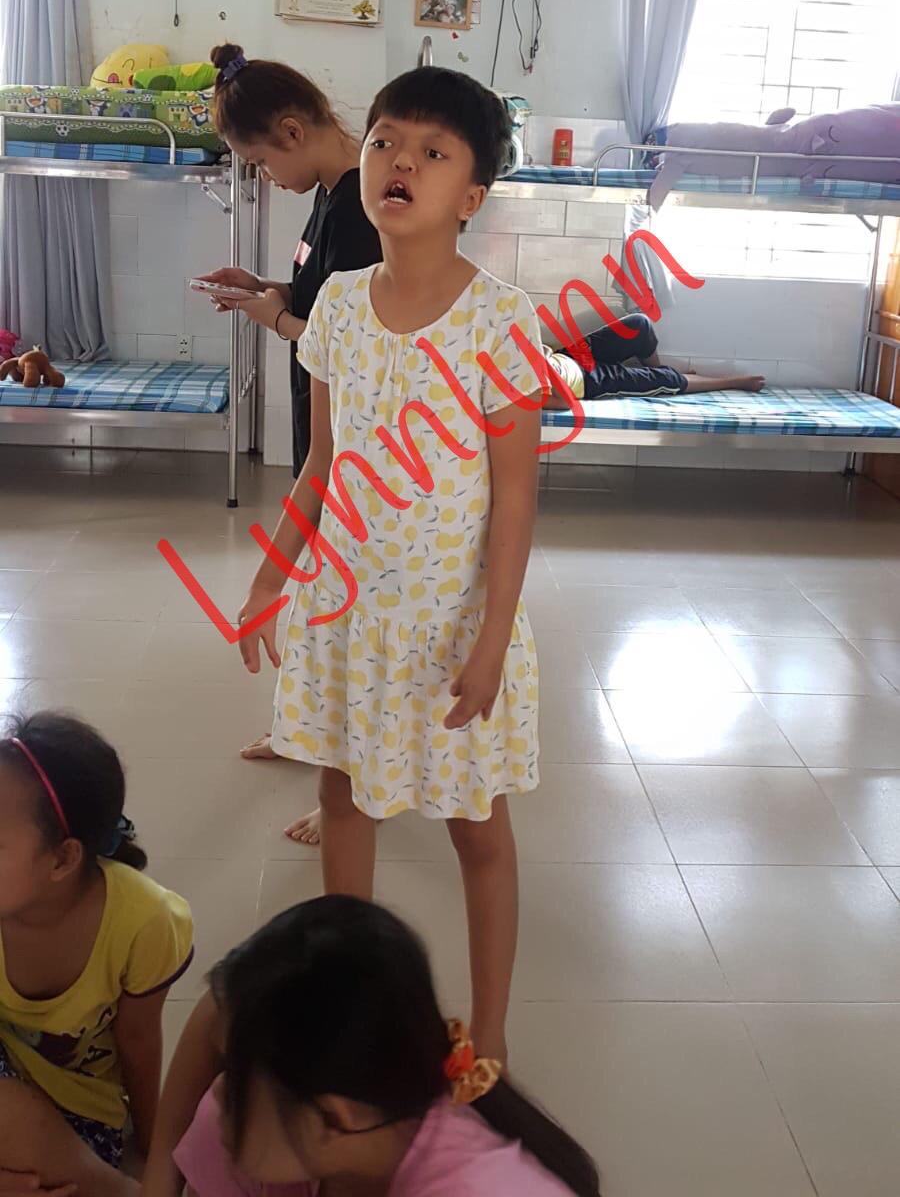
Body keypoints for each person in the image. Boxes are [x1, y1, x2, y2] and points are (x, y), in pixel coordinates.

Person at [234, 66, 546, 1063]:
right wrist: (271, 578)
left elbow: (515, 500)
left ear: (472, 195)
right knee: (344, 798)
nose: (398, 161)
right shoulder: (335, 307)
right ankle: (351, 1006)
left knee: (476, 827)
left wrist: (493, 638)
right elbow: (323, 464)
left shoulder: (502, 321)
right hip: (347, 616)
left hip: (454, 625)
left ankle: (489, 1033)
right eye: (383, 142)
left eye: (432, 151)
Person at [143, 897, 600, 1197]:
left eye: (241, 1082)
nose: (219, 1090)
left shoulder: (484, 1187)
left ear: (332, 1118)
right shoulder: (340, 1121)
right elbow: (219, 1008)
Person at [0, 714, 193, 1197]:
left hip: (80, 1112)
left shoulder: (143, 921)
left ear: (64, 858)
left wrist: (151, 1148)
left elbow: (140, 1042)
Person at [196, 44, 381, 479]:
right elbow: (327, 298)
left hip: (350, 429)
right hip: (322, 412)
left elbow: (354, 344)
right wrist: (262, 288)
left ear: (292, 132)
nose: (265, 176)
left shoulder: (358, 210)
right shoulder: (330, 192)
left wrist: (277, 320)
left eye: (261, 161)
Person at [542, 312, 766, 404]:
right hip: (589, 381)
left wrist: (544, 355)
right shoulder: (524, 397)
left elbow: (543, 348)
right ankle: (732, 382)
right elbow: (564, 402)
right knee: (667, 380)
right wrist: (544, 365)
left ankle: (657, 373)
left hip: (570, 356)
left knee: (639, 324)